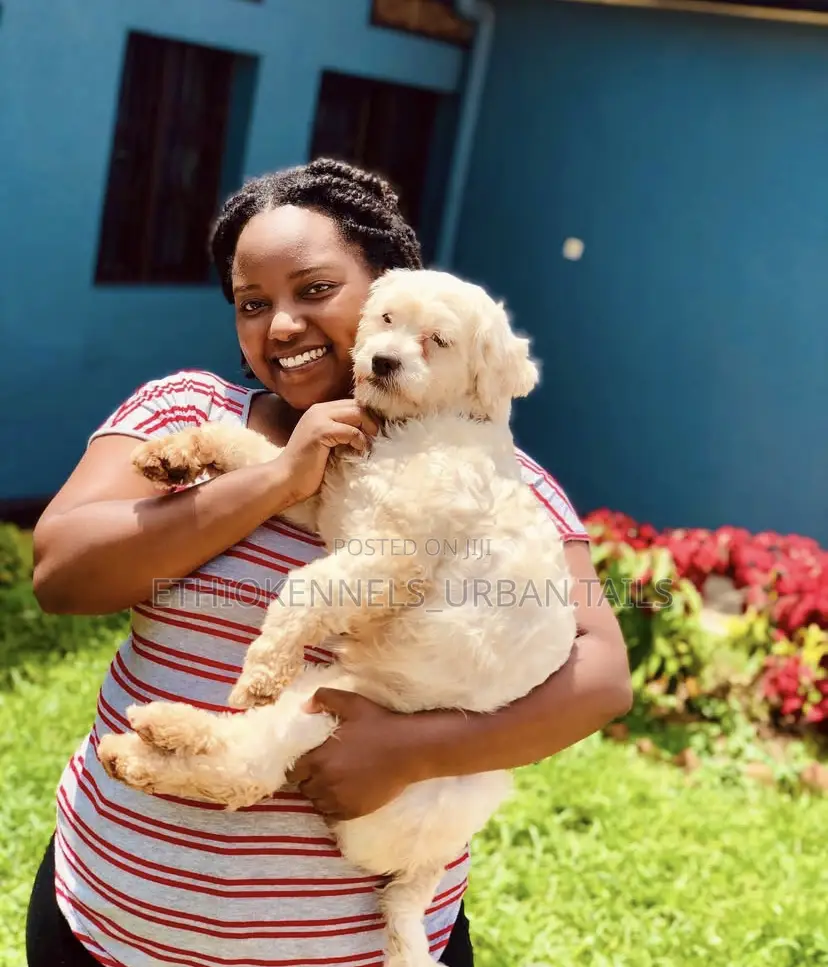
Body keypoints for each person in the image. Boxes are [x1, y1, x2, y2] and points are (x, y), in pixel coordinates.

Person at [26, 158, 632, 967]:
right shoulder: (188, 411)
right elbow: (64, 573)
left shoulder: (497, 483)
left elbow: (600, 677)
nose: (281, 325)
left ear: (390, 288)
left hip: (352, 946)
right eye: (252, 304)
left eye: (314, 289)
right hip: (104, 926)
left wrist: (413, 751)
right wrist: (278, 475)